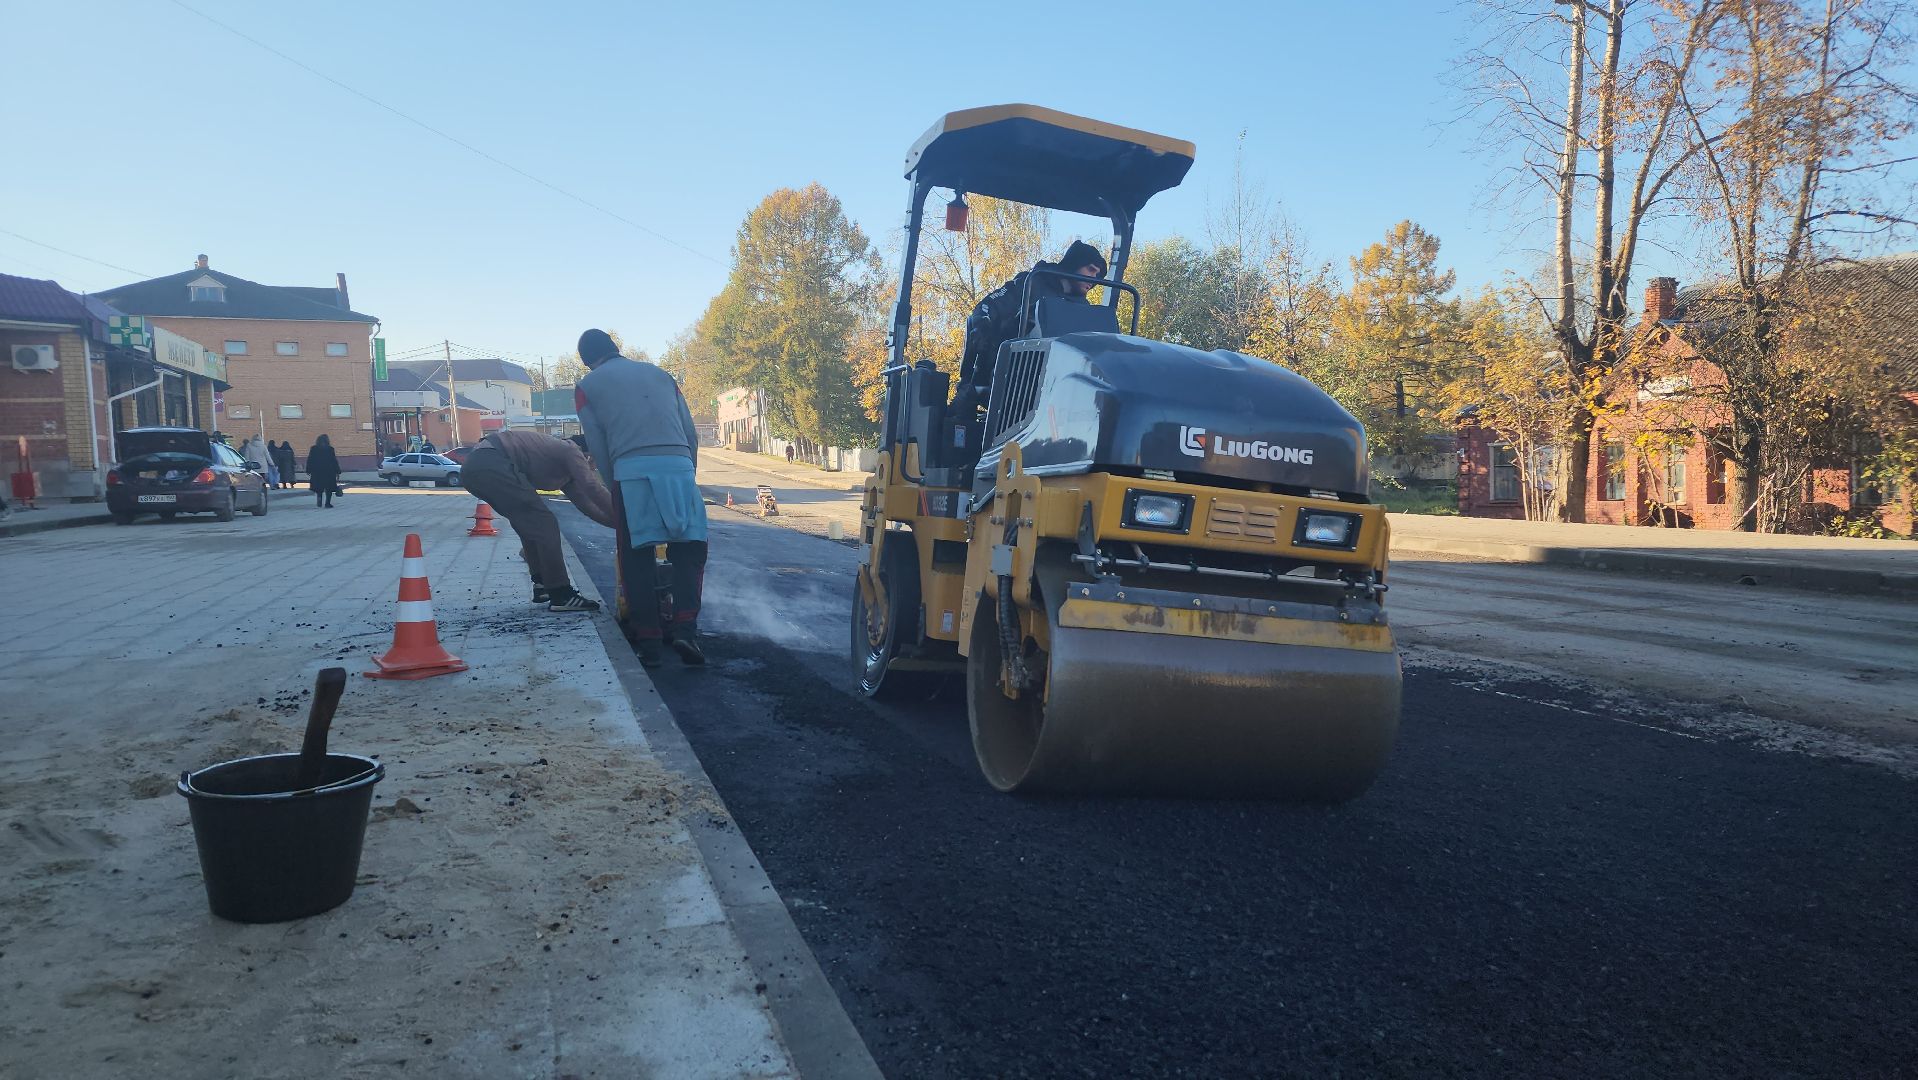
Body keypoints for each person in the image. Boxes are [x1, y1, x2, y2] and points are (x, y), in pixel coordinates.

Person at [575, 328, 708, 667]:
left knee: (636, 559)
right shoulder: (662, 375)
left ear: (587, 361)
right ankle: (685, 631)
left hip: (631, 472)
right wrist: (686, 472)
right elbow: (690, 432)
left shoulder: (587, 387)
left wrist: (611, 481)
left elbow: (599, 444)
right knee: (690, 551)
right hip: (679, 466)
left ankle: (649, 642)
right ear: (616, 347)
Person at [462, 429, 618, 613]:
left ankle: (542, 583)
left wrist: (618, 525)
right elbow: (592, 487)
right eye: (592, 461)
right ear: (587, 454)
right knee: (544, 523)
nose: (592, 468)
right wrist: (623, 517)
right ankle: (562, 594)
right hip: (491, 462)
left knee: (529, 522)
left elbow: (588, 506)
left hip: (476, 468)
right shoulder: (571, 450)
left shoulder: (566, 471)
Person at [954, 240, 1107, 407]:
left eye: (1098, 275)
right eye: (1091, 270)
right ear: (1073, 265)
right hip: (1011, 369)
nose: (1094, 279)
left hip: (1058, 382)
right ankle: (978, 391)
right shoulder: (1030, 284)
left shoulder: (1084, 310)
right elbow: (989, 305)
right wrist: (981, 324)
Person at [305, 434, 341, 508]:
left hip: (317, 471)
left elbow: (310, 459)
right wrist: (337, 471)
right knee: (329, 488)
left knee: (319, 487)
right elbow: (334, 460)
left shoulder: (314, 449)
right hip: (329, 471)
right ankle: (327, 503)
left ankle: (319, 498)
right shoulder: (330, 449)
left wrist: (308, 469)